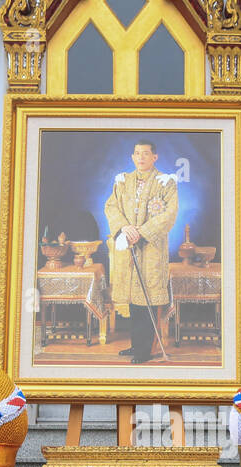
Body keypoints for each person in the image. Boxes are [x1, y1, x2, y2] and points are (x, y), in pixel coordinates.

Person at [104, 139, 178, 363]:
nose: (141, 157)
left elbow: (169, 214)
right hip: (128, 246)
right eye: (137, 153)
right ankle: (136, 344)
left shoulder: (166, 182)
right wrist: (124, 229)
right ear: (132, 157)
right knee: (133, 300)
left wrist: (141, 232)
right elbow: (111, 206)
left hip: (151, 249)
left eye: (145, 154)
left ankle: (145, 350)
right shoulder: (123, 181)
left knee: (147, 300)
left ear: (154, 157)